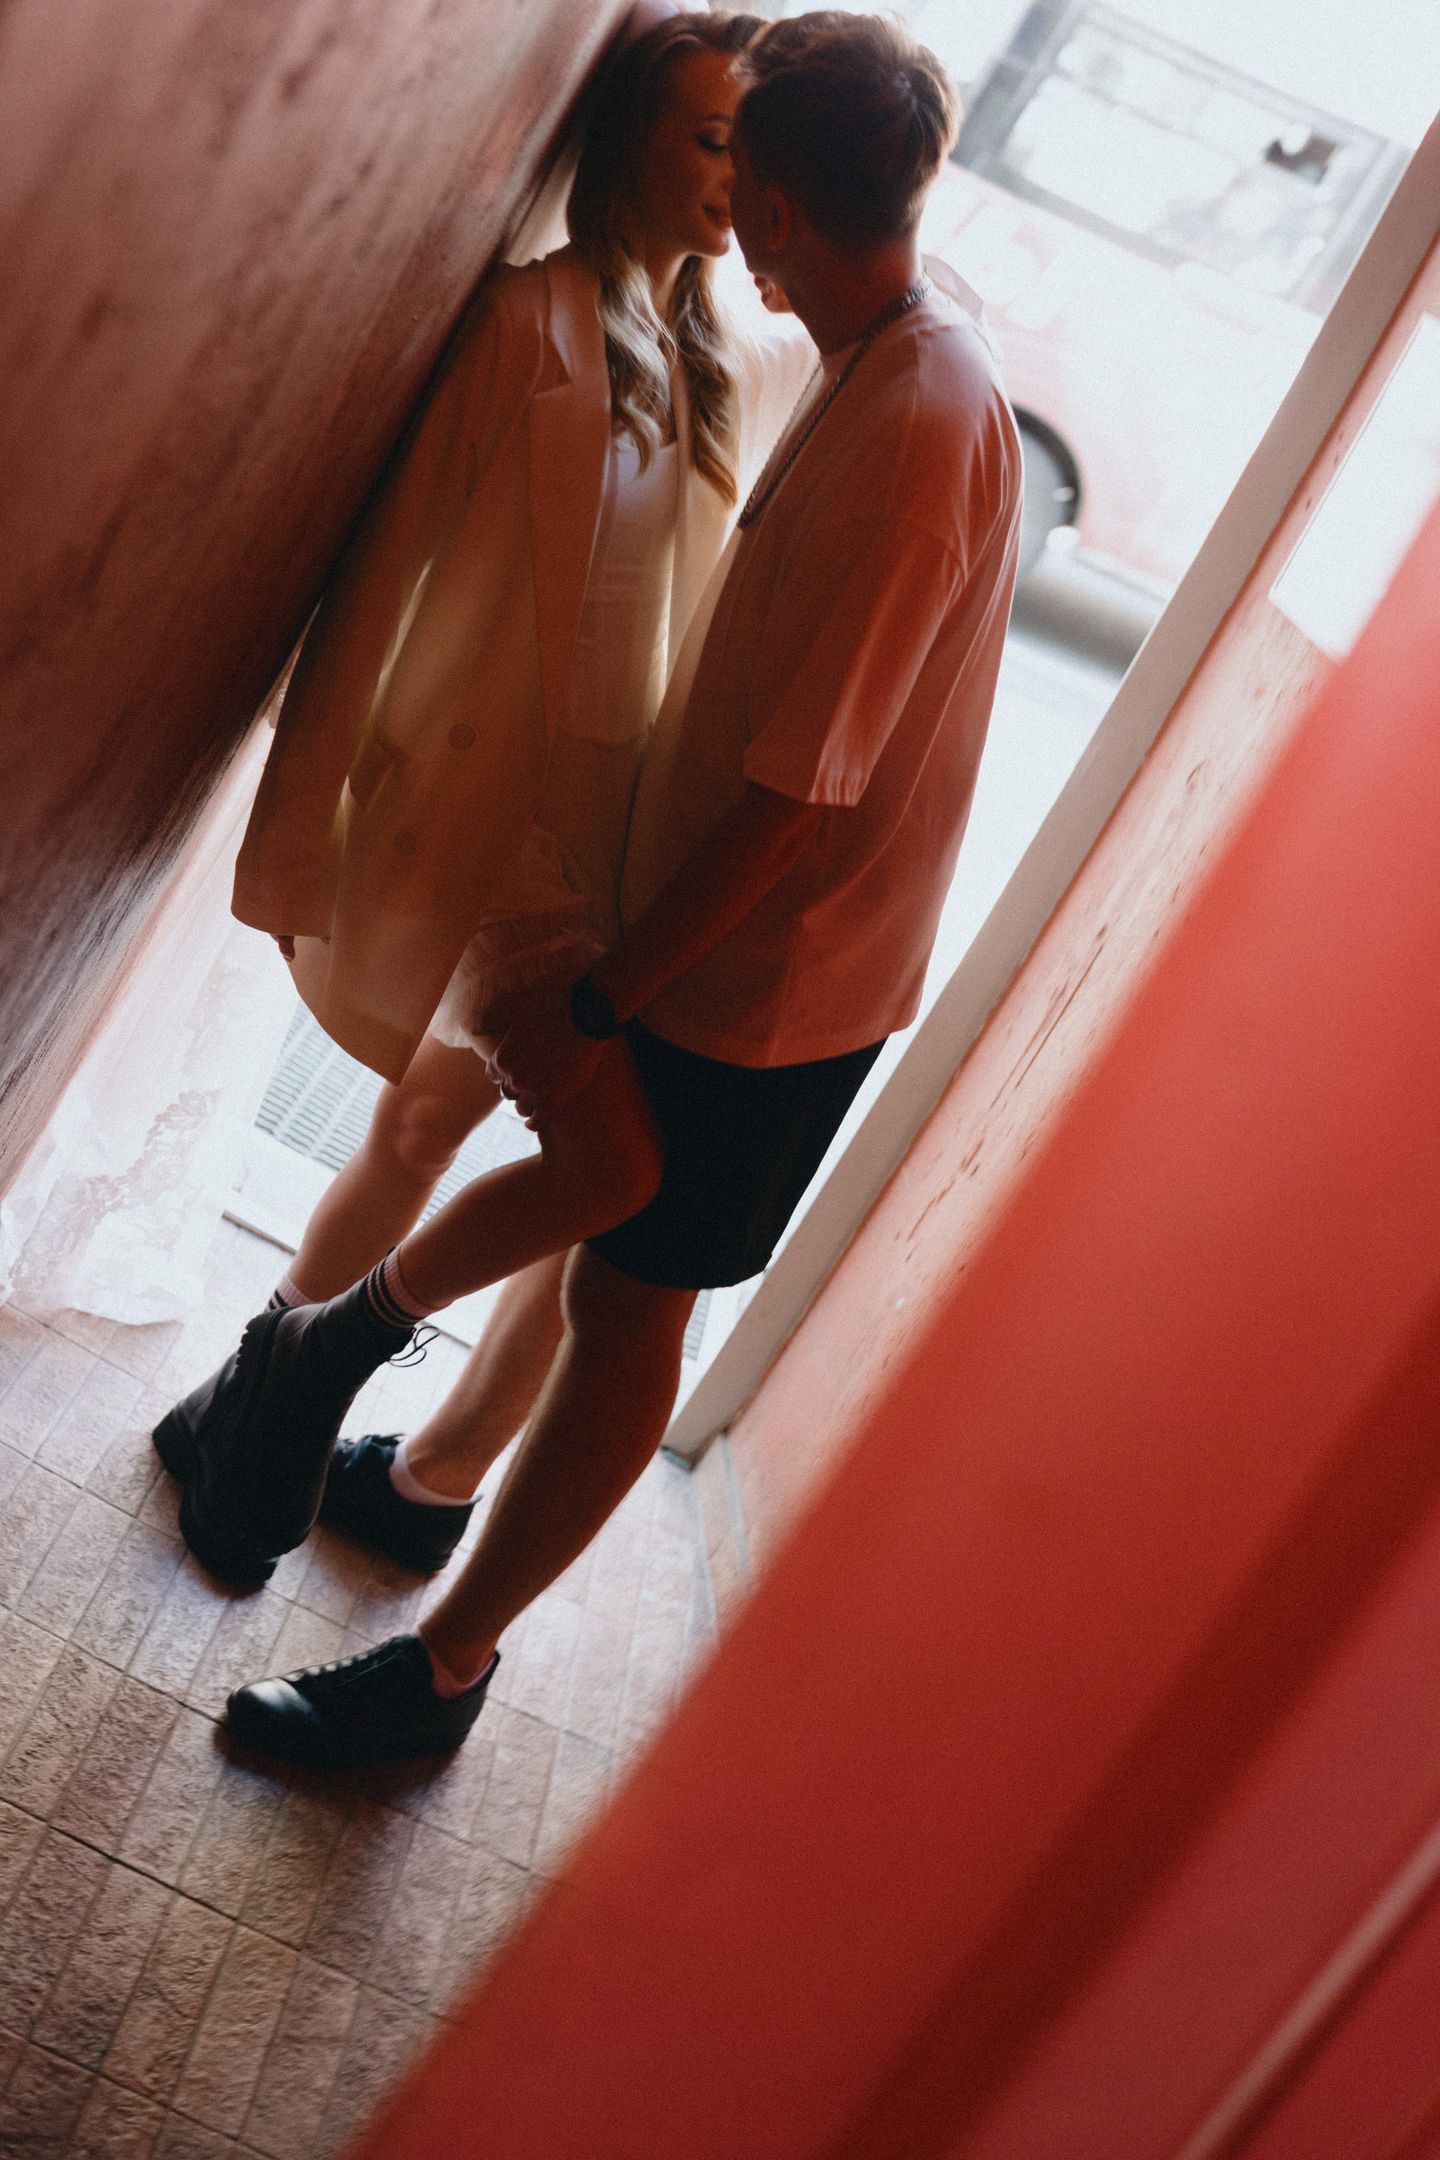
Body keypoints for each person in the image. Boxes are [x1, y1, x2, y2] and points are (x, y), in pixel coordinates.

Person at [166, 9, 1023, 1768]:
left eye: (738, 164)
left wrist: (611, 986)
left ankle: (437, 1660)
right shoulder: (881, 354)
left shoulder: (912, 426)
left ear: (776, 203)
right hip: (720, 942)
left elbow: (794, 807)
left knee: (632, 1305)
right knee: (614, 1263)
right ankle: (378, 1439)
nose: (723, 198)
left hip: (767, 976)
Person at [186, 11, 814, 1581]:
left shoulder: (724, 360)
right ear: (629, 141)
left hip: (616, 846)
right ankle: (275, 1393)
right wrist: (301, 836)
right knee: (509, 1147)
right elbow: (380, 582)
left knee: (460, 1136)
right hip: (498, 834)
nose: (738, 176)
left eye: (751, 145)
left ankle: (259, 1405)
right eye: (710, 138)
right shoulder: (526, 326)